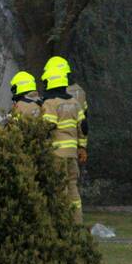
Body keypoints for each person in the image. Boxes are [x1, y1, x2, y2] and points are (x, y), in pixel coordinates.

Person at [40, 68, 88, 223]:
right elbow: (83, 128)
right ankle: (76, 222)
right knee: (73, 188)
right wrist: (82, 147)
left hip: (56, 154)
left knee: (60, 189)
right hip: (72, 154)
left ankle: (62, 224)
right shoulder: (75, 103)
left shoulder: (51, 103)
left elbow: (47, 126)